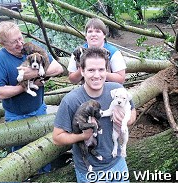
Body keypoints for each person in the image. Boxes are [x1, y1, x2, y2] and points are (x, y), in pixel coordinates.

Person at [53, 47, 137, 182]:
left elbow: (132, 112)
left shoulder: (117, 90)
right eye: (91, 70)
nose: (97, 75)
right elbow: (57, 138)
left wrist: (124, 120)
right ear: (82, 71)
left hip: (118, 164)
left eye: (101, 70)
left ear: (107, 70)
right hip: (90, 172)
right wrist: (82, 136)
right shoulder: (71, 100)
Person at [0, 21, 64, 172]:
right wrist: (23, 87)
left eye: (20, 38)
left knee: (43, 152)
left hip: (39, 110)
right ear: (2, 43)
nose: (20, 43)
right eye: (14, 42)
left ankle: (45, 176)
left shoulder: (31, 49)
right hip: (16, 116)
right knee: (20, 159)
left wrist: (35, 73)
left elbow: (57, 68)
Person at [68, 18, 126, 84]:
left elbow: (121, 79)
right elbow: (72, 79)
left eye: (97, 31)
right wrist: (83, 70)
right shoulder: (78, 52)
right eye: (90, 31)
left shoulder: (113, 52)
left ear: (104, 35)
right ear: (86, 36)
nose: (93, 34)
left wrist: (100, 73)